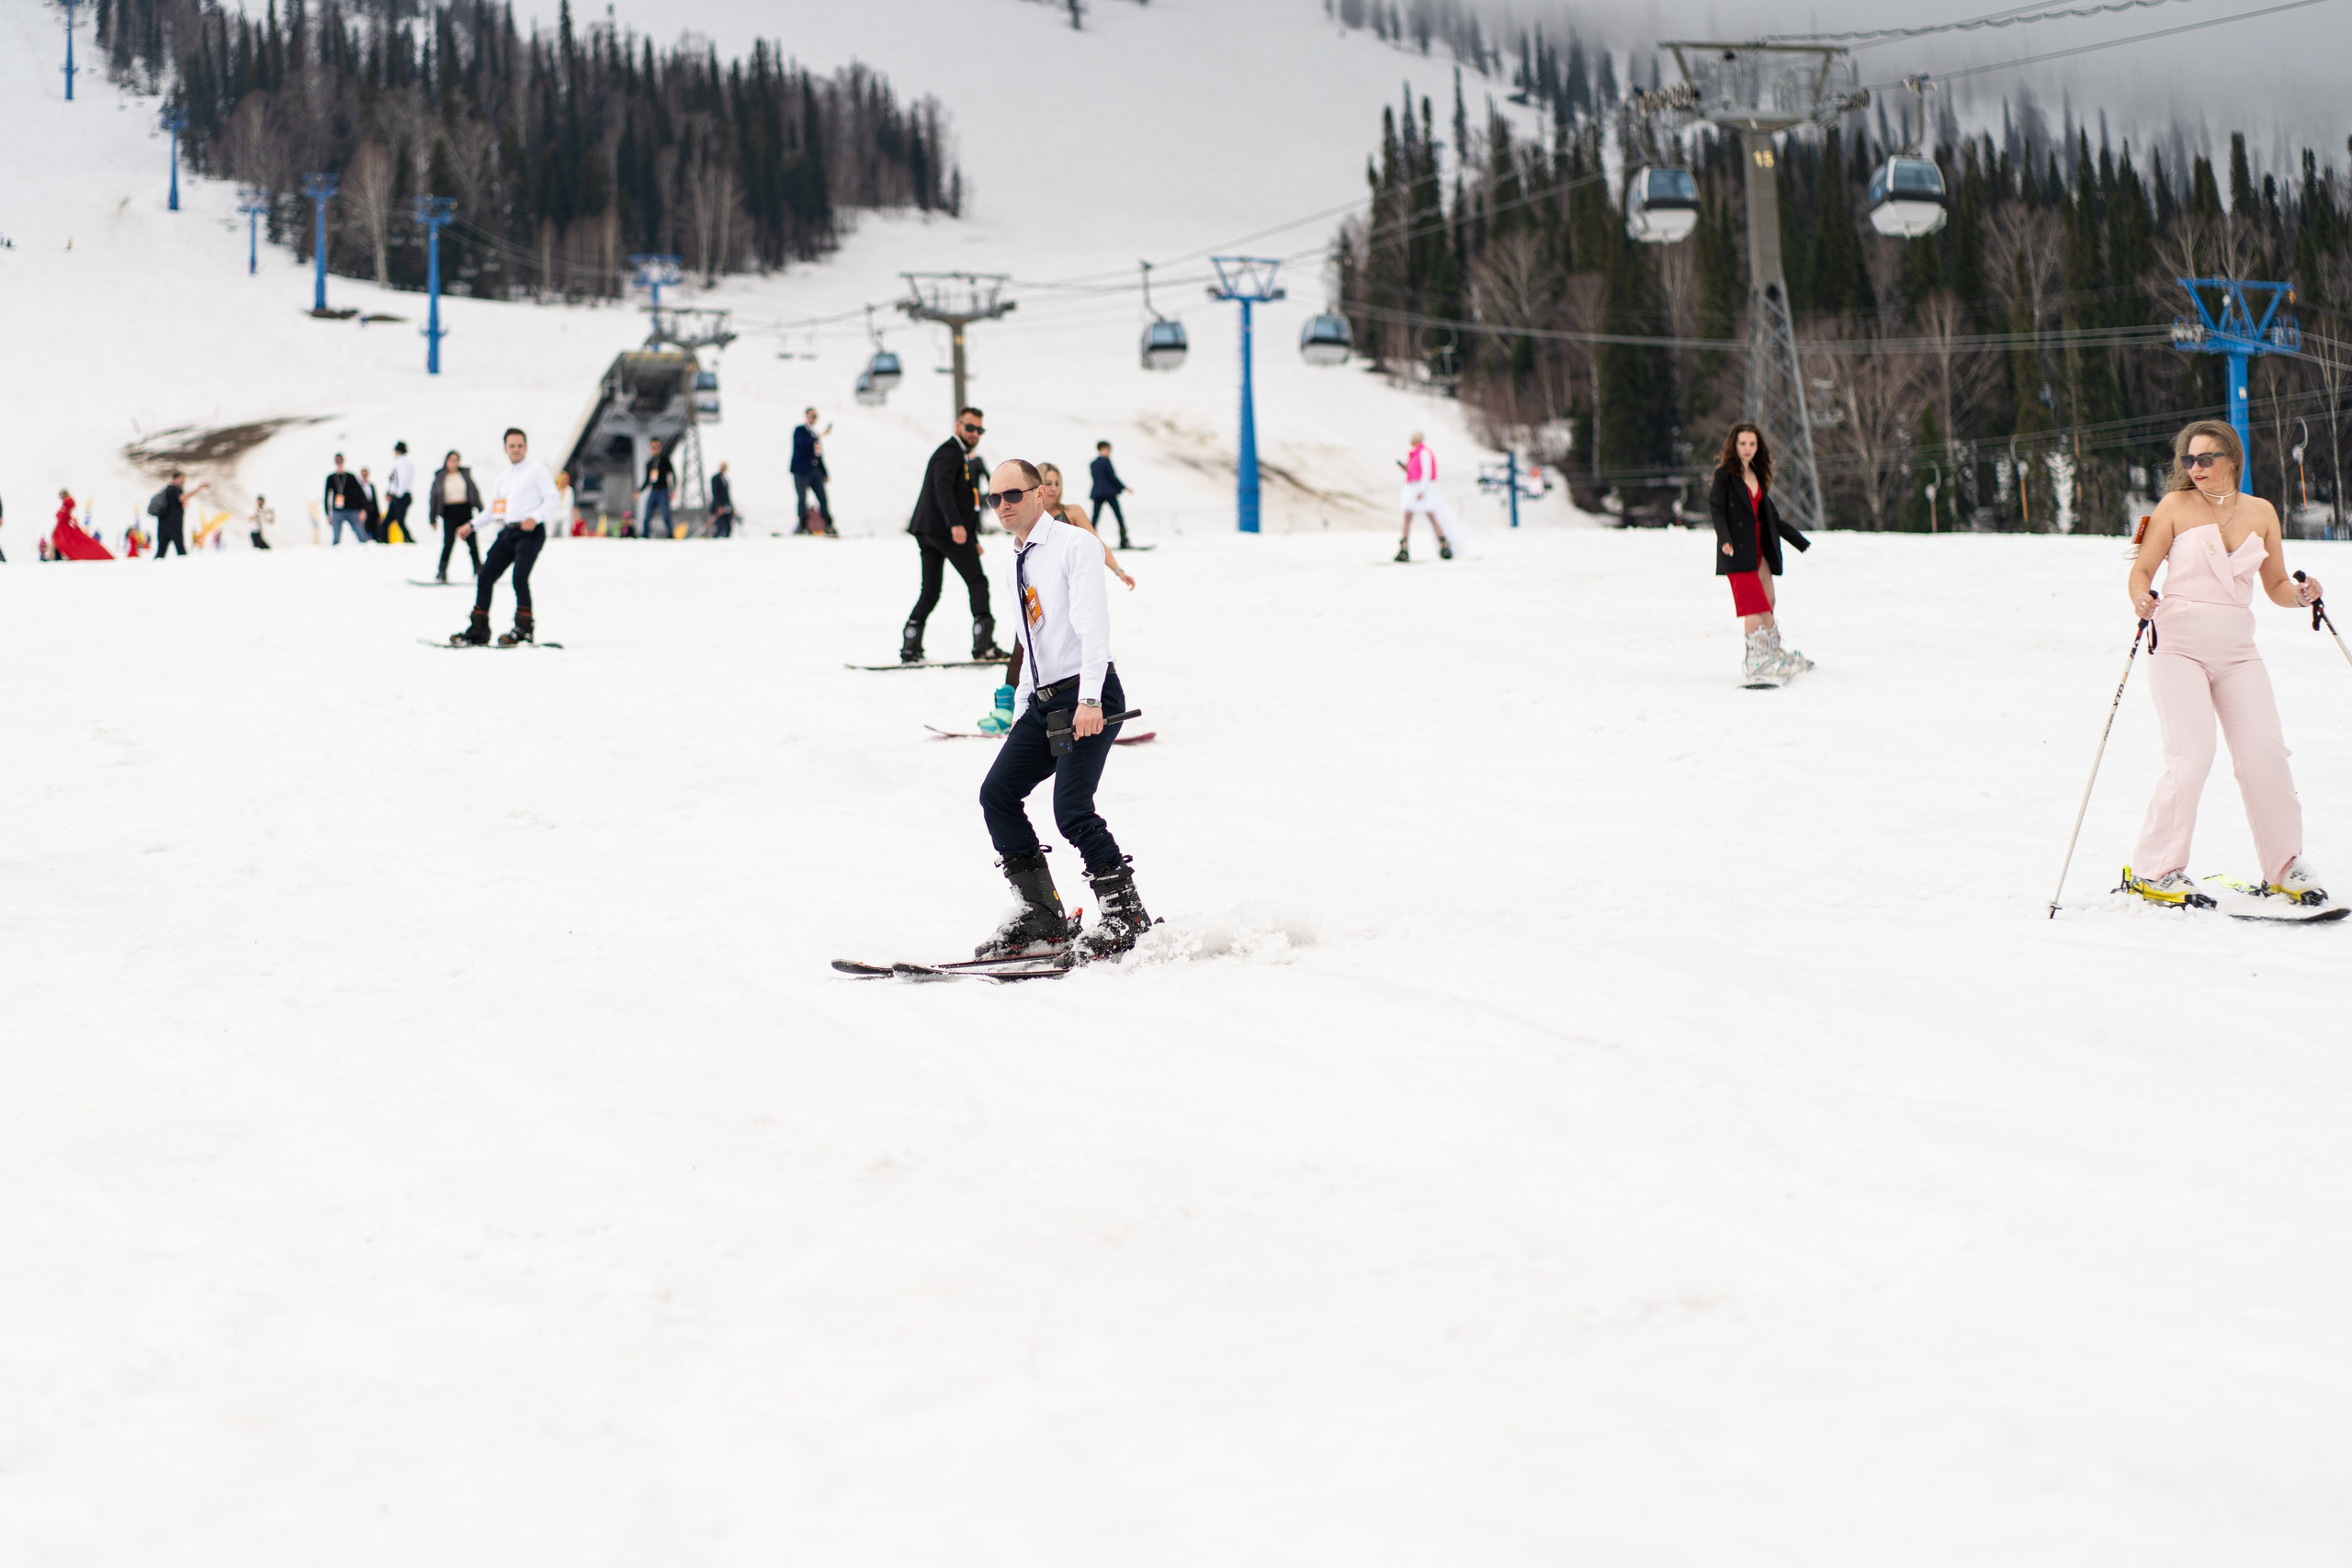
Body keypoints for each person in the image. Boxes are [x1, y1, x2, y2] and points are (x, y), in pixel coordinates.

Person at [2120, 419, 2329, 908]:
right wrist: (2138, 596)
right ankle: (2157, 870)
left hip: (2238, 651)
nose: (2195, 468)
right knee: (2190, 756)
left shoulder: (2261, 512)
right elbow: (2143, 568)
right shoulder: (2173, 507)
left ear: (2233, 460)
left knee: (2266, 754)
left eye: (2206, 459)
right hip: (2178, 646)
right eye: (2189, 460)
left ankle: (2285, 866)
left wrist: (2300, 596)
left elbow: (2275, 585)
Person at [973, 458, 1154, 961]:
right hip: (1046, 698)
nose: (1003, 506)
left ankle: (1125, 916)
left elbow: (1093, 627)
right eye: (994, 499)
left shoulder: (1076, 545)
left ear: (1038, 494)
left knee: (1071, 809)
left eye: (1012, 495)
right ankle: (1043, 916)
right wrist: (1023, 704)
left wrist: (1092, 699)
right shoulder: (1015, 558)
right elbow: (1031, 642)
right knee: (997, 794)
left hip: (1087, 693)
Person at [1710, 423, 1814, 683]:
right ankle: (1754, 662)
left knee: (1768, 601)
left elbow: (1770, 517)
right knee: (1753, 607)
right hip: (1736, 550)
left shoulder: (1756, 473)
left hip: (1759, 549)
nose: (1747, 449)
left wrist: (1799, 541)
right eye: (1743, 444)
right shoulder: (1725, 475)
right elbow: (1716, 509)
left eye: (1752, 444)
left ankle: (1772, 652)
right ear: (1734, 445)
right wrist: (1724, 538)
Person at [902, 407, 1007, 663]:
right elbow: (943, 490)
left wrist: (972, 536)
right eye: (969, 427)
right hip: (945, 531)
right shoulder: (949, 453)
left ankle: (910, 647)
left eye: (978, 430)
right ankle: (984, 646)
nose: (974, 433)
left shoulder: (959, 454)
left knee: (930, 591)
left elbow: (965, 499)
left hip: (931, 531)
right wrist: (956, 526)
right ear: (958, 425)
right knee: (977, 581)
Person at [450, 428, 558, 647]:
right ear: (505, 449)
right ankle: (479, 629)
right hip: (509, 532)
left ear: (526, 447)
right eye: (512, 446)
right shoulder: (504, 478)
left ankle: (524, 629)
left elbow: (552, 498)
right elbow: (493, 510)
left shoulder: (537, 470)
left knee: (519, 578)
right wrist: (471, 525)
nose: (516, 449)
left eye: (520, 445)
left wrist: (535, 517)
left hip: (530, 532)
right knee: (485, 577)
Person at [1036, 464, 1135, 590]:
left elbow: (1096, 543)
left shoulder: (1072, 512)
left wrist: (1118, 571)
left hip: (1071, 584)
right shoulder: (1031, 517)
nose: (1054, 489)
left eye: (1057, 484)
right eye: (1048, 484)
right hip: (1041, 586)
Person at [1396, 432, 1457, 562]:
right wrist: (1404, 468)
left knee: (1431, 515)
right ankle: (1404, 547)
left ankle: (1444, 545)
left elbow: (1426, 472)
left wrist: (1422, 490)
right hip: (1412, 487)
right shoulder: (1413, 454)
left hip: (1422, 488)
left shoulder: (1424, 453)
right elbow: (1412, 472)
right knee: (1408, 515)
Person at [427, 450, 482, 582]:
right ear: (446, 461)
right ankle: (442, 572)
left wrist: (482, 511)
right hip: (449, 512)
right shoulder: (440, 477)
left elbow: (475, 492)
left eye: (456, 460)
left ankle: (479, 570)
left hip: (465, 510)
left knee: (472, 543)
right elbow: (434, 497)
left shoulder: (465, 475)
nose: (454, 463)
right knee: (448, 543)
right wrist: (432, 517)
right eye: (451, 460)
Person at [791, 410, 834, 534]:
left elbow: (818, 455)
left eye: (815, 416)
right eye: (812, 416)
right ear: (806, 416)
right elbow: (802, 444)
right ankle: (803, 524)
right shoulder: (800, 431)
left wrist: (824, 473)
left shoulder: (814, 434)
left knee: (823, 498)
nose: (814, 418)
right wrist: (819, 436)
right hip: (801, 471)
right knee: (802, 499)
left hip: (815, 472)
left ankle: (828, 523)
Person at [1088, 440, 1134, 548]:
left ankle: (1089, 540)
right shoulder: (1106, 461)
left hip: (1098, 492)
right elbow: (1112, 477)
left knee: (1095, 517)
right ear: (1104, 448)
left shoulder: (1093, 464)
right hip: (1109, 492)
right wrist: (1124, 487)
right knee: (1118, 516)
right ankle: (1124, 540)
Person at [152, 470, 206, 558]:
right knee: (181, 551)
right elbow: (182, 497)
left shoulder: (167, 490)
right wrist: (198, 489)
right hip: (173, 525)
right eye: (182, 480)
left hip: (163, 525)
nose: (183, 482)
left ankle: (154, 568)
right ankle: (184, 568)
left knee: (161, 551)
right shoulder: (174, 489)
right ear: (176, 479)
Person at [323, 456, 368, 546]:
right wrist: (328, 514)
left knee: (362, 536)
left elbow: (360, 494)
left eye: (340, 461)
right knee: (336, 539)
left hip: (352, 510)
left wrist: (363, 509)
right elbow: (326, 496)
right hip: (337, 511)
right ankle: (335, 556)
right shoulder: (331, 478)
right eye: (337, 461)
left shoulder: (351, 477)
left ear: (343, 461)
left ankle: (366, 553)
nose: (339, 463)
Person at [640, 437, 676, 539]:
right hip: (653, 491)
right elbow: (647, 480)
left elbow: (672, 476)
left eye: (657, 447)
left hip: (663, 491)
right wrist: (639, 491)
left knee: (666, 514)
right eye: (653, 447)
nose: (655, 449)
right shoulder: (649, 463)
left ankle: (670, 534)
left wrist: (672, 490)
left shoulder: (665, 461)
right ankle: (645, 534)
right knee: (647, 514)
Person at [385, 441, 416, 544]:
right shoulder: (405, 462)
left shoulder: (402, 463)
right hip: (400, 495)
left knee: (399, 520)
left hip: (401, 495)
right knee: (389, 520)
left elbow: (402, 479)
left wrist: (397, 493)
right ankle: (383, 539)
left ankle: (408, 539)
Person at [710, 462, 738, 537]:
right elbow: (715, 493)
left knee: (728, 527)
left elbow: (727, 495)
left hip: (726, 507)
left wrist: (732, 508)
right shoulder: (716, 478)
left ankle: (726, 543)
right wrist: (718, 506)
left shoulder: (725, 479)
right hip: (718, 507)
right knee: (719, 528)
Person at [358, 466, 384, 542]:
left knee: (375, 530)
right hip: (364, 511)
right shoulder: (359, 486)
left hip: (372, 511)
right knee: (365, 530)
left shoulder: (371, 486)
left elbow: (375, 500)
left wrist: (378, 515)